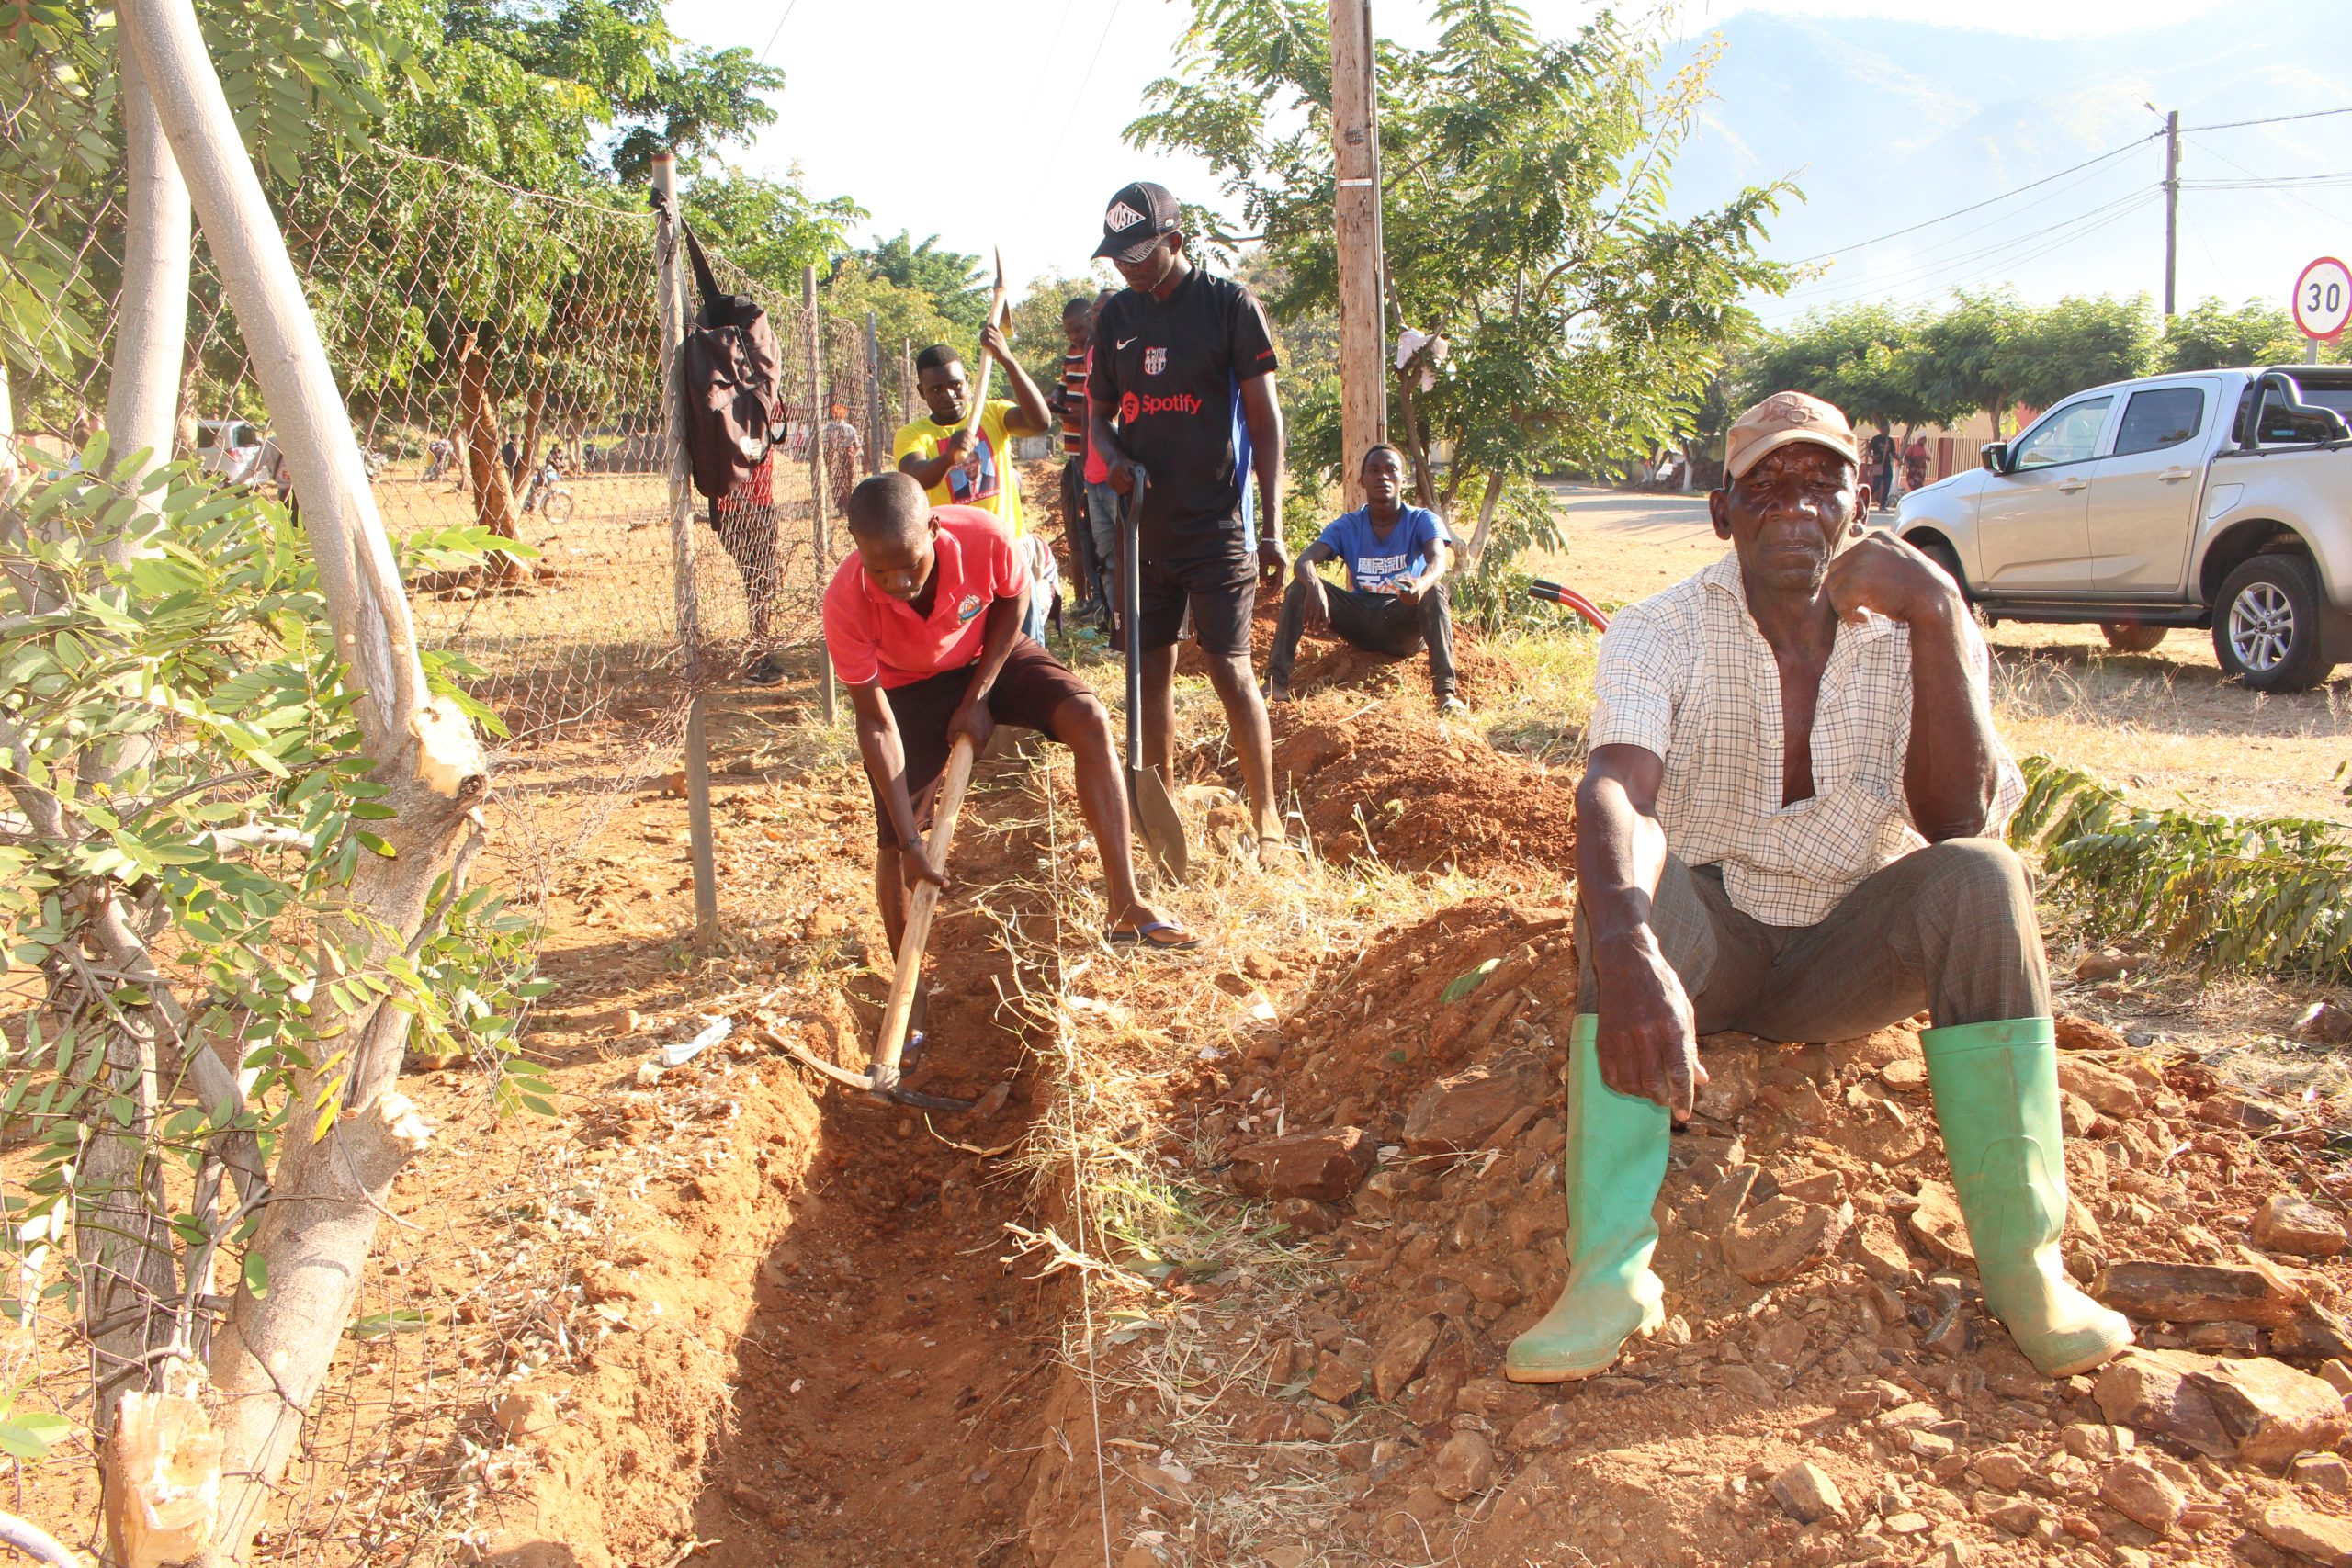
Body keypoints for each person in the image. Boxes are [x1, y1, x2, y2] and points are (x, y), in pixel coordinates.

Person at [1503, 389, 2132, 1388]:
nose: (1793, 508)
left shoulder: (1921, 622)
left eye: (1819, 484)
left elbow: (1956, 820)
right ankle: (1607, 1273)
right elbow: (1618, 786)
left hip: (1845, 951)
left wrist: (1933, 613)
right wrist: (1624, 943)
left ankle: (2025, 1267)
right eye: (1765, 488)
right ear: (1722, 513)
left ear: (1860, 499)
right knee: (1621, 890)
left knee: (1983, 876)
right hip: (1708, 946)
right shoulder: (1661, 630)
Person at [824, 474, 1196, 980]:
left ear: (934, 528)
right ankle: (909, 994)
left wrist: (978, 696)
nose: (899, 584)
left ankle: (1126, 905)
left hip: (986, 653)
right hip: (907, 685)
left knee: (1088, 718)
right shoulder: (846, 601)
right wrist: (913, 845)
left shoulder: (985, 537)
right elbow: (875, 721)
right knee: (893, 838)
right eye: (880, 570)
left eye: (910, 565)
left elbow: (1013, 599)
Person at [1085, 180, 1288, 861]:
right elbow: (1099, 420)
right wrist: (1112, 460)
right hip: (1145, 527)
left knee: (1230, 670)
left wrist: (1272, 528)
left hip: (1218, 526)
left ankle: (1268, 822)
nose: (1128, 268)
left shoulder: (1228, 305)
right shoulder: (1115, 319)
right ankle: (1162, 818)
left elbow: (1264, 422)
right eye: (1118, 256)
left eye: (1140, 253)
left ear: (1176, 241)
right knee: (1151, 672)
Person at [1268, 445, 1462, 714]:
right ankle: (1275, 683)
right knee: (1300, 586)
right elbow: (1304, 560)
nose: (1383, 476)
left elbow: (1439, 561)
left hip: (1400, 620)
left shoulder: (1421, 520)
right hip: (1360, 619)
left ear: (1403, 479)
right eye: (1374, 470)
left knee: (1435, 591)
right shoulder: (1348, 525)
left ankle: (1445, 694)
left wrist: (1421, 584)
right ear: (1362, 480)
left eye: (1391, 470)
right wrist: (1315, 587)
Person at [892, 325, 1057, 642]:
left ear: (968, 381)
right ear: (921, 392)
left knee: (1024, 640)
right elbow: (914, 476)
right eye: (936, 389)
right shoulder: (914, 435)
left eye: (955, 385)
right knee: (971, 643)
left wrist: (1007, 359)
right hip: (956, 559)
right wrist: (948, 458)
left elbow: (1041, 421)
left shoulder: (993, 414)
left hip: (1009, 550)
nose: (948, 395)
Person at [1053, 296, 1108, 622]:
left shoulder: (1101, 355)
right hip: (1075, 455)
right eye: (1069, 332)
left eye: (1079, 328)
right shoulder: (1074, 356)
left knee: (1097, 535)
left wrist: (1076, 412)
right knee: (1081, 532)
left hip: (1094, 459)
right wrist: (1054, 400)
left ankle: (1102, 604)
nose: (1074, 336)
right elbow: (1064, 390)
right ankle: (1089, 601)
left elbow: (1095, 408)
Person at [820, 400, 864, 519]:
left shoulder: (828, 428)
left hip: (836, 455)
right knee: (846, 482)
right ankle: (847, 508)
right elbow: (858, 445)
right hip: (844, 455)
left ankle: (842, 508)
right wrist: (854, 454)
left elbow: (824, 443)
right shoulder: (848, 428)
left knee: (837, 483)